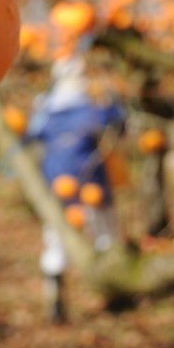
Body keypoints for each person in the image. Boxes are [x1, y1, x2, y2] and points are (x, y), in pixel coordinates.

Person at [26, 53, 127, 323]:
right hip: (86, 183)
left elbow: (30, 136)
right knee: (102, 233)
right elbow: (119, 120)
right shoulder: (89, 109)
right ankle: (111, 289)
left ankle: (64, 292)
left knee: (63, 234)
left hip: (63, 184)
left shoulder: (49, 112)